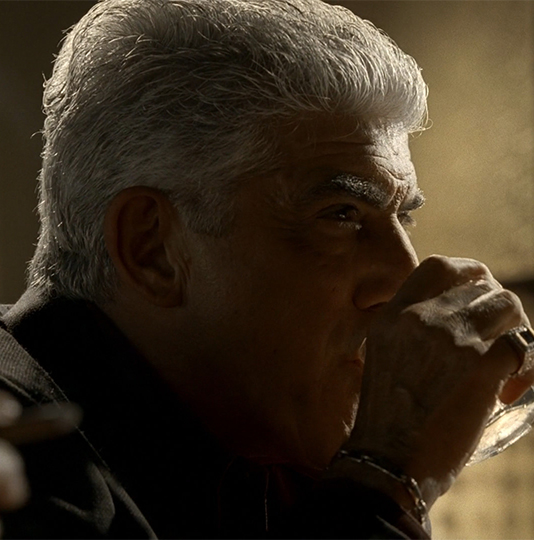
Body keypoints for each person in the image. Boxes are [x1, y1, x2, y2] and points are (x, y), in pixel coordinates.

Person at [0, 0, 532, 537]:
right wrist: (385, 477)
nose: (403, 280)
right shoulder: (18, 459)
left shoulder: (273, 450)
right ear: (153, 249)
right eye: (341, 214)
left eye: (403, 218)